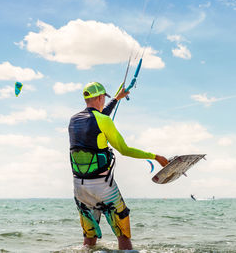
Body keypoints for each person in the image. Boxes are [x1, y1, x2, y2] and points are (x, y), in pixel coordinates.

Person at [68, 82, 168, 250]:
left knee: (89, 239)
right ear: (100, 97)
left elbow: (98, 117)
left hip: (80, 188)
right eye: (103, 98)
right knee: (123, 234)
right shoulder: (104, 121)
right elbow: (125, 150)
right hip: (103, 187)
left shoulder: (73, 120)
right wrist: (155, 156)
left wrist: (116, 98)